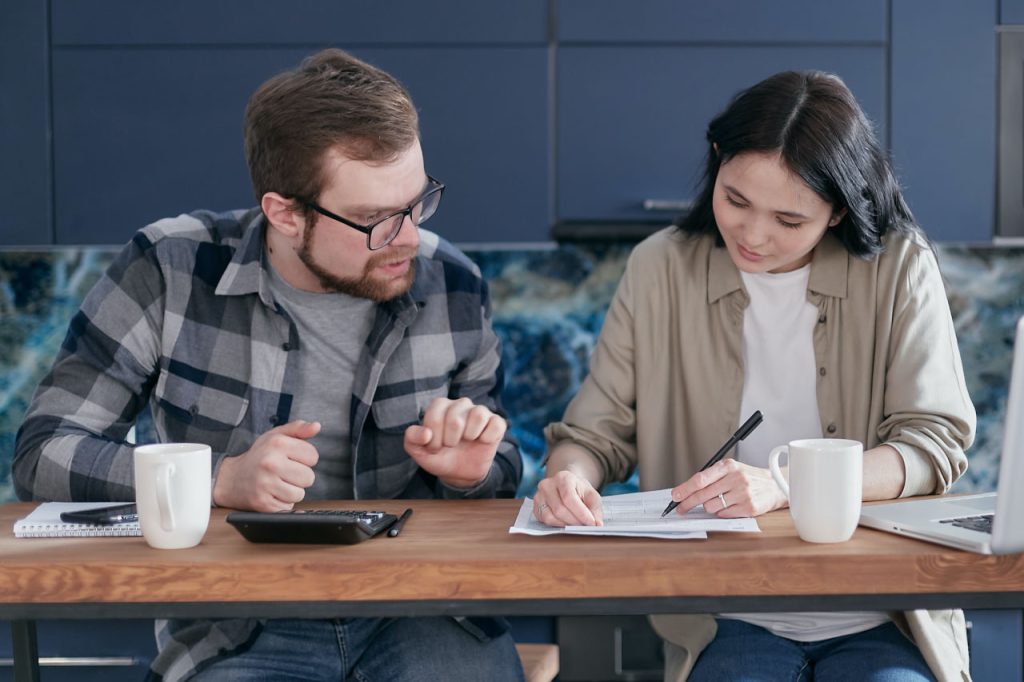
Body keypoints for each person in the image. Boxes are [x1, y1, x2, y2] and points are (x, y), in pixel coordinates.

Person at [13, 48, 525, 682]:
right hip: (235, 621)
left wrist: (474, 470)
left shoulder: (453, 283)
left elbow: (502, 468)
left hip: (422, 605)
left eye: (418, 203)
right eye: (374, 219)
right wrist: (220, 482)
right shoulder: (168, 269)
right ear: (285, 212)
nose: (411, 238)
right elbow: (43, 456)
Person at [537, 71, 976, 682]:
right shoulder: (660, 267)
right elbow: (594, 435)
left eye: (789, 220)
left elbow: (933, 444)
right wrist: (567, 480)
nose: (752, 234)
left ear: (837, 211)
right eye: (735, 200)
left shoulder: (900, 267)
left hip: (881, 611)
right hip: (728, 615)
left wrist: (787, 483)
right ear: (716, 159)